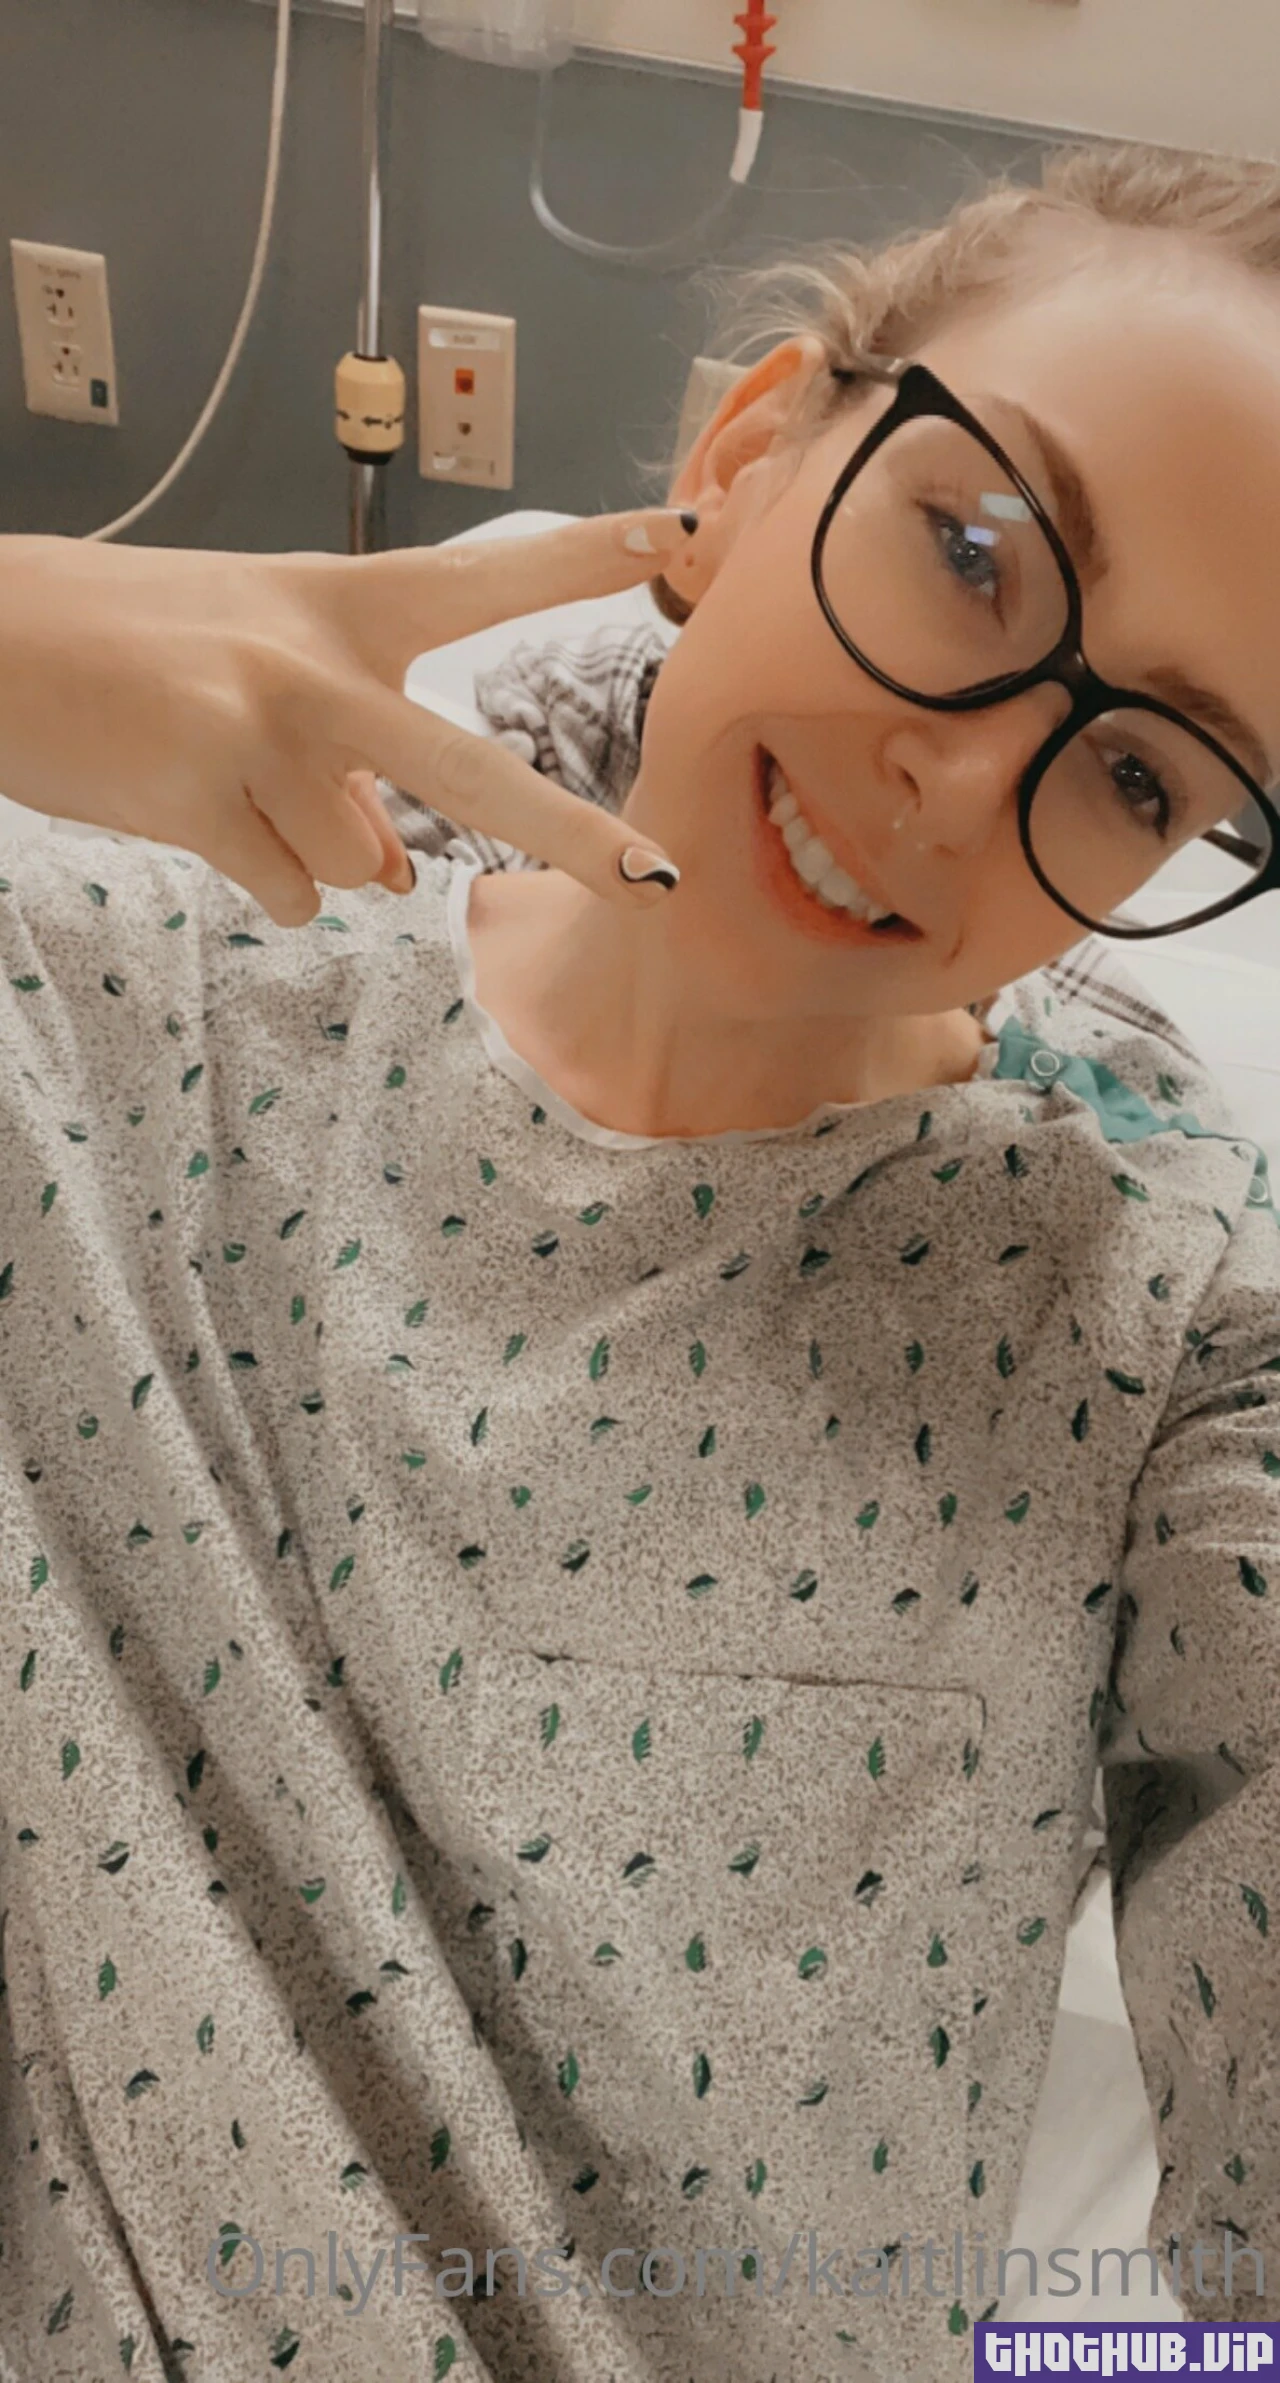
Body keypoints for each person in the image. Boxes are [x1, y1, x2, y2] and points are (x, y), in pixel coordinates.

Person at [1, 136, 1278, 2383]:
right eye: (972, 556)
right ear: (749, 452)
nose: (966, 788)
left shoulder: (1163, 1319)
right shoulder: (114, 971)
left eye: (1141, 781)